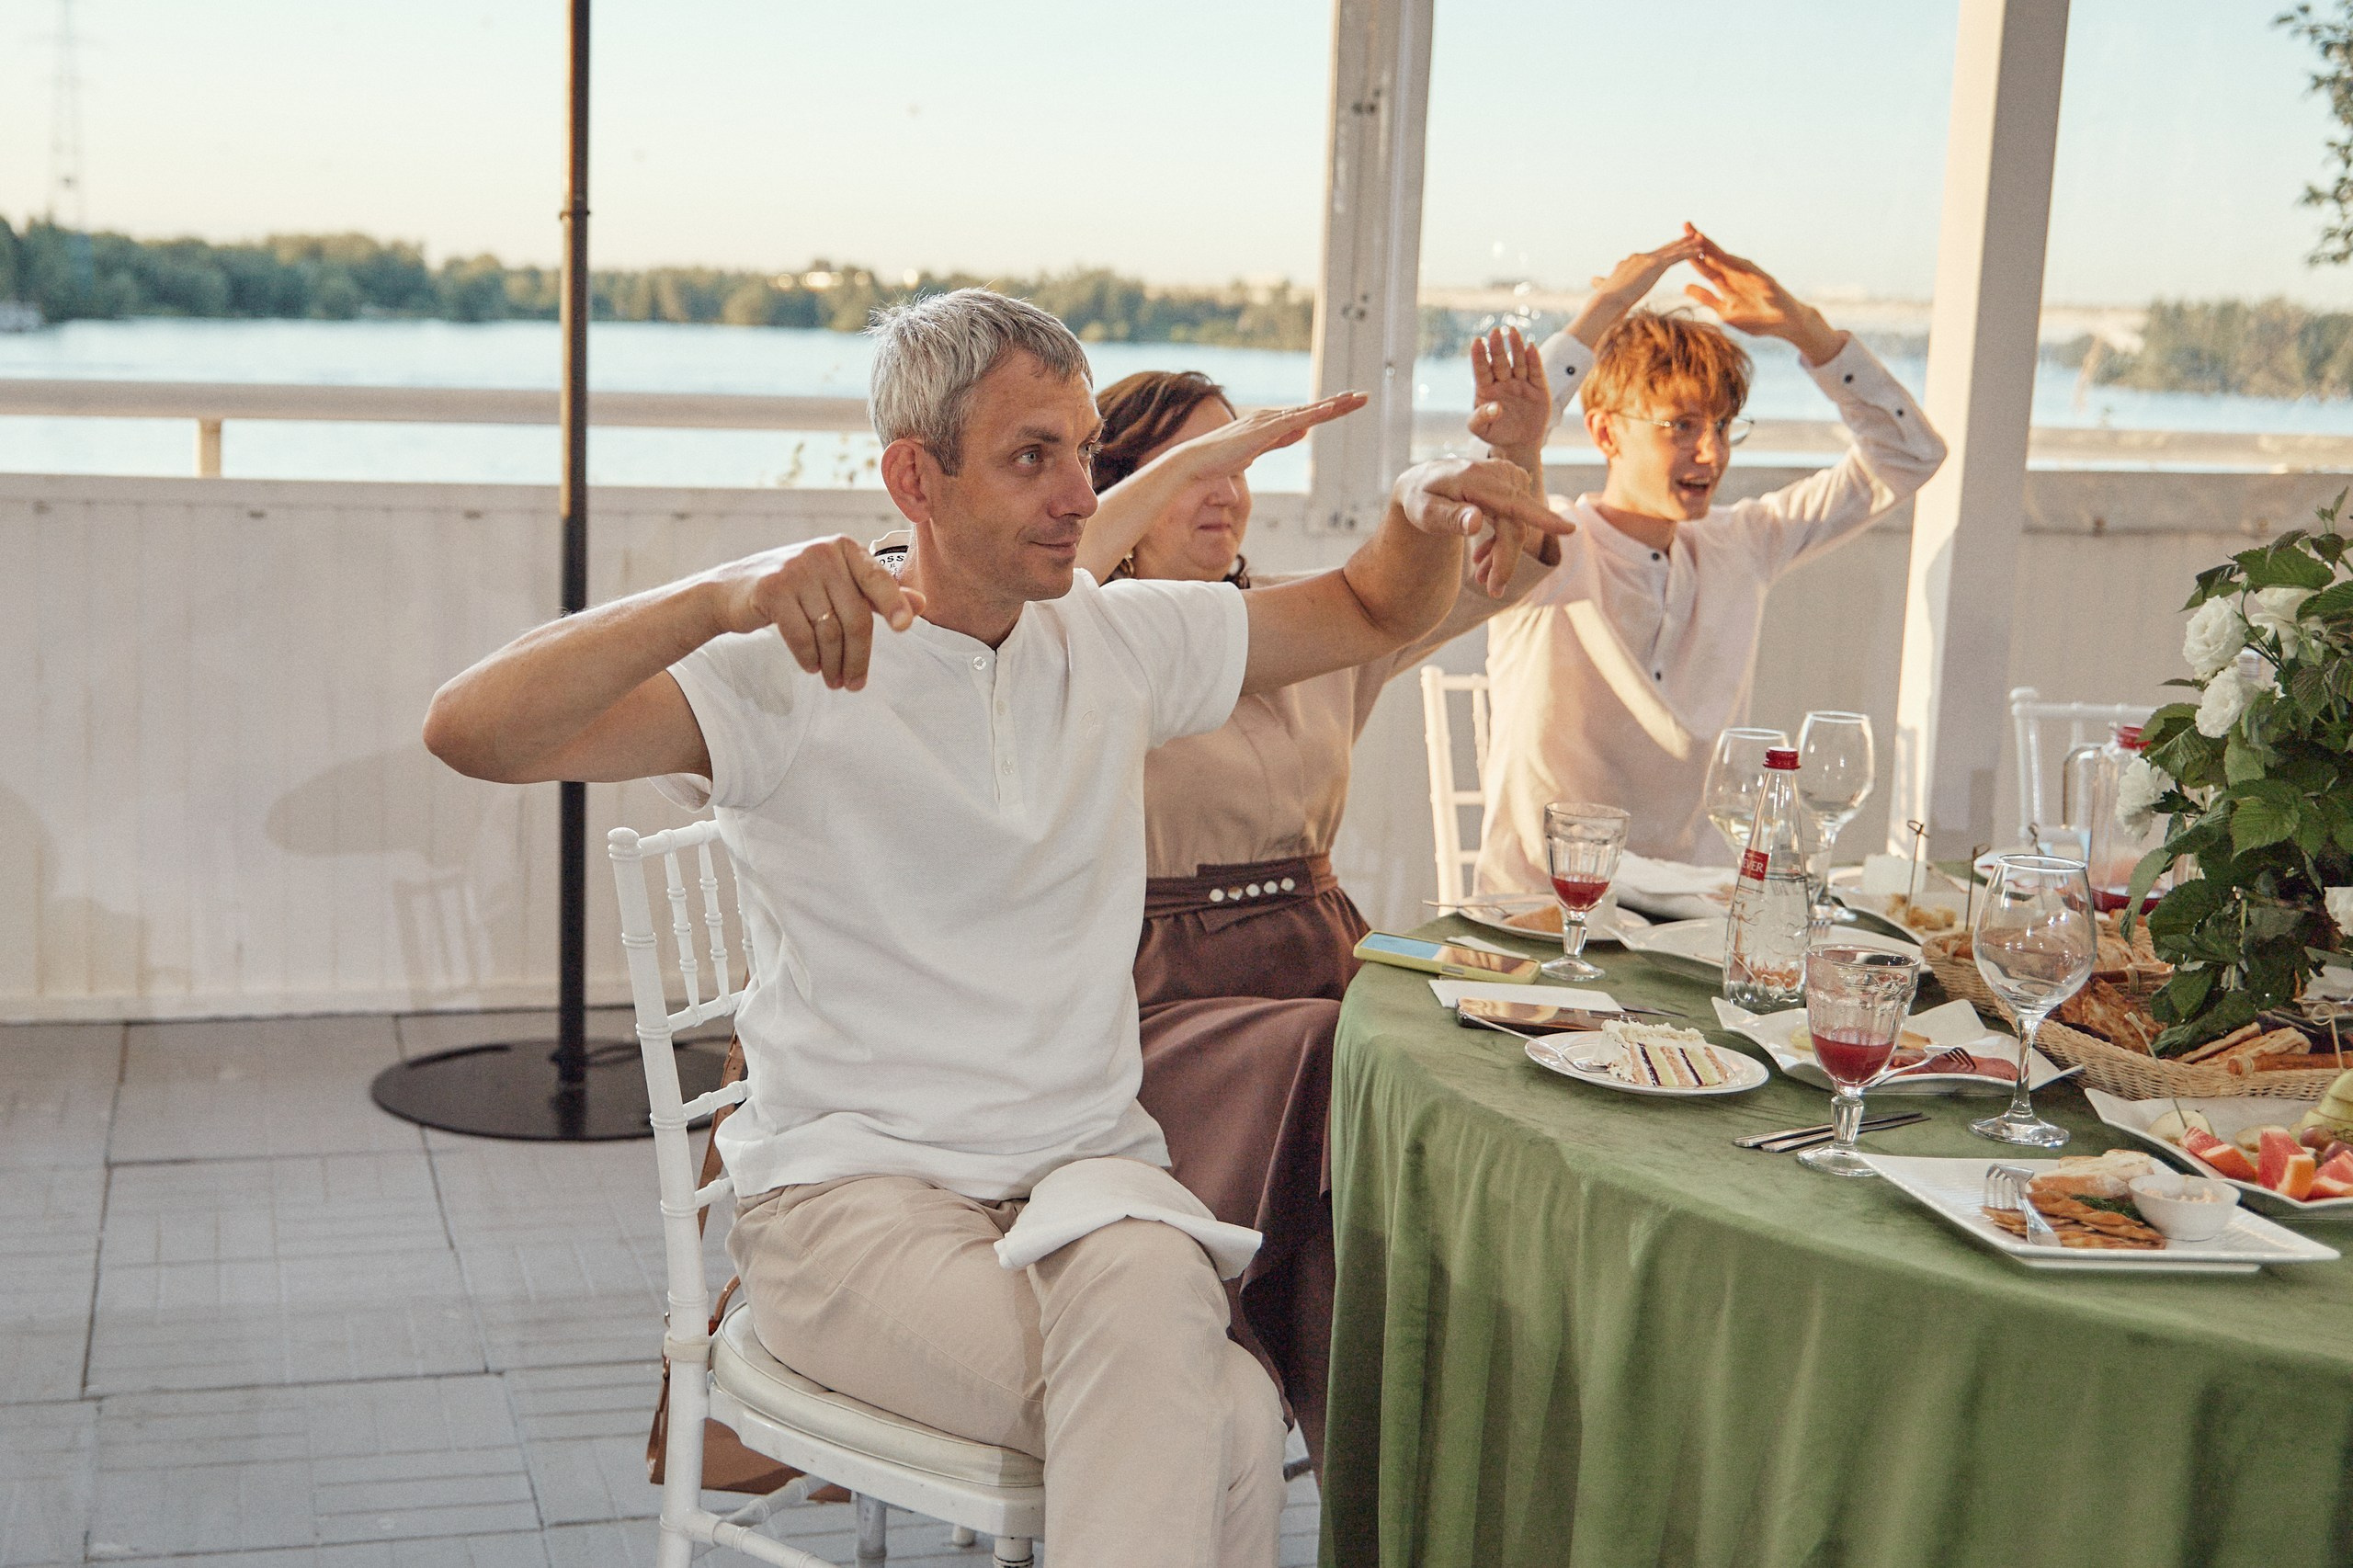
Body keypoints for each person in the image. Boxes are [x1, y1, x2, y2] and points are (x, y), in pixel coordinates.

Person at [420, 289, 1564, 1565]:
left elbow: (1367, 610)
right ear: (917, 475)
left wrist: (1419, 504)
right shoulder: (793, 667)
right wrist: (719, 595)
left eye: (1084, 449)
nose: (1082, 493)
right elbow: (472, 730)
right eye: (1035, 457)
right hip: (849, 1200)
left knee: (1180, 1349)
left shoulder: (1114, 639)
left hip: (1085, 1177)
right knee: (1226, 1412)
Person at [1070, 327, 1562, 1471]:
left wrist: (1517, 452)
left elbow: (1510, 572)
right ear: (1121, 493)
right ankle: (1371, 1458)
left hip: (1322, 958)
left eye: (1240, 464)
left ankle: (1464, 1418)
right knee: (1335, 1054)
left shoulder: (1321, 617)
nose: (1228, 493)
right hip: (1153, 994)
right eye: (1196, 467)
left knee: (1480, 1054)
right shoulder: (1080, 638)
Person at [1472, 226, 1949, 890]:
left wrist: (1809, 333)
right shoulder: (1548, 547)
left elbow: (1910, 456)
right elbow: (1501, 443)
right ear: (1606, 431)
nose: (1712, 453)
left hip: (1702, 916)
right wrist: (1604, 310)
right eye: (1683, 426)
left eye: (1723, 426)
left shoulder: (1741, 544)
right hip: (1547, 917)